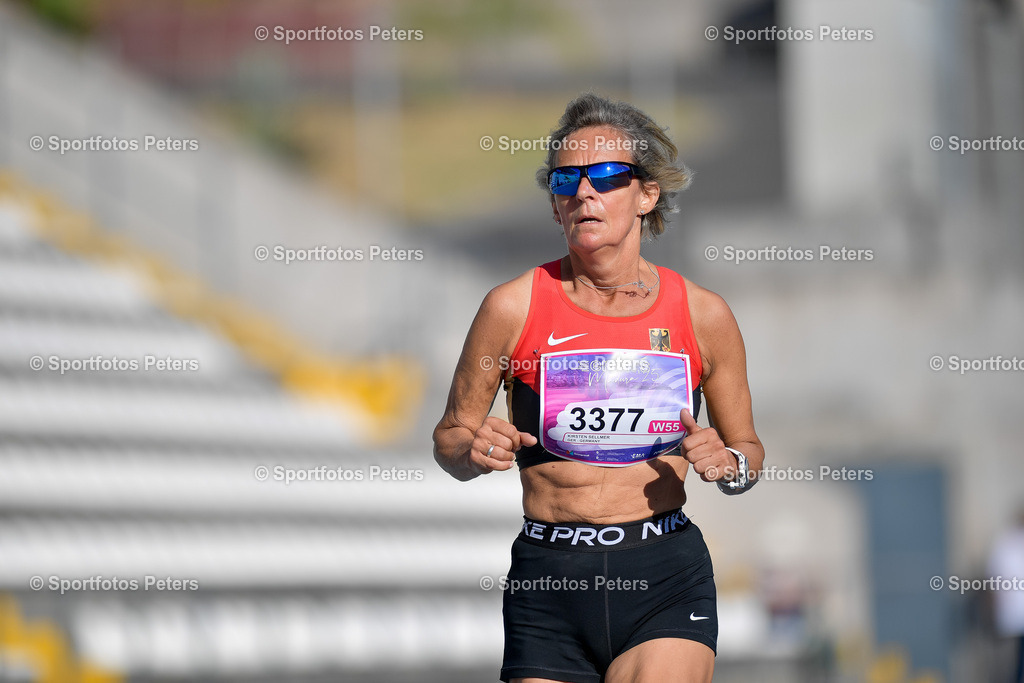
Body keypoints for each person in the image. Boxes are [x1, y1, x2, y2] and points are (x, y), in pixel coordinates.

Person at [433, 93, 764, 683]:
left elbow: (749, 454)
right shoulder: (510, 307)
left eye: (607, 176)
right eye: (567, 180)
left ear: (646, 194)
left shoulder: (704, 315)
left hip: (662, 572)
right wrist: (472, 451)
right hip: (549, 576)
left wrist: (731, 463)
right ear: (555, 206)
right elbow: (450, 438)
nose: (585, 192)